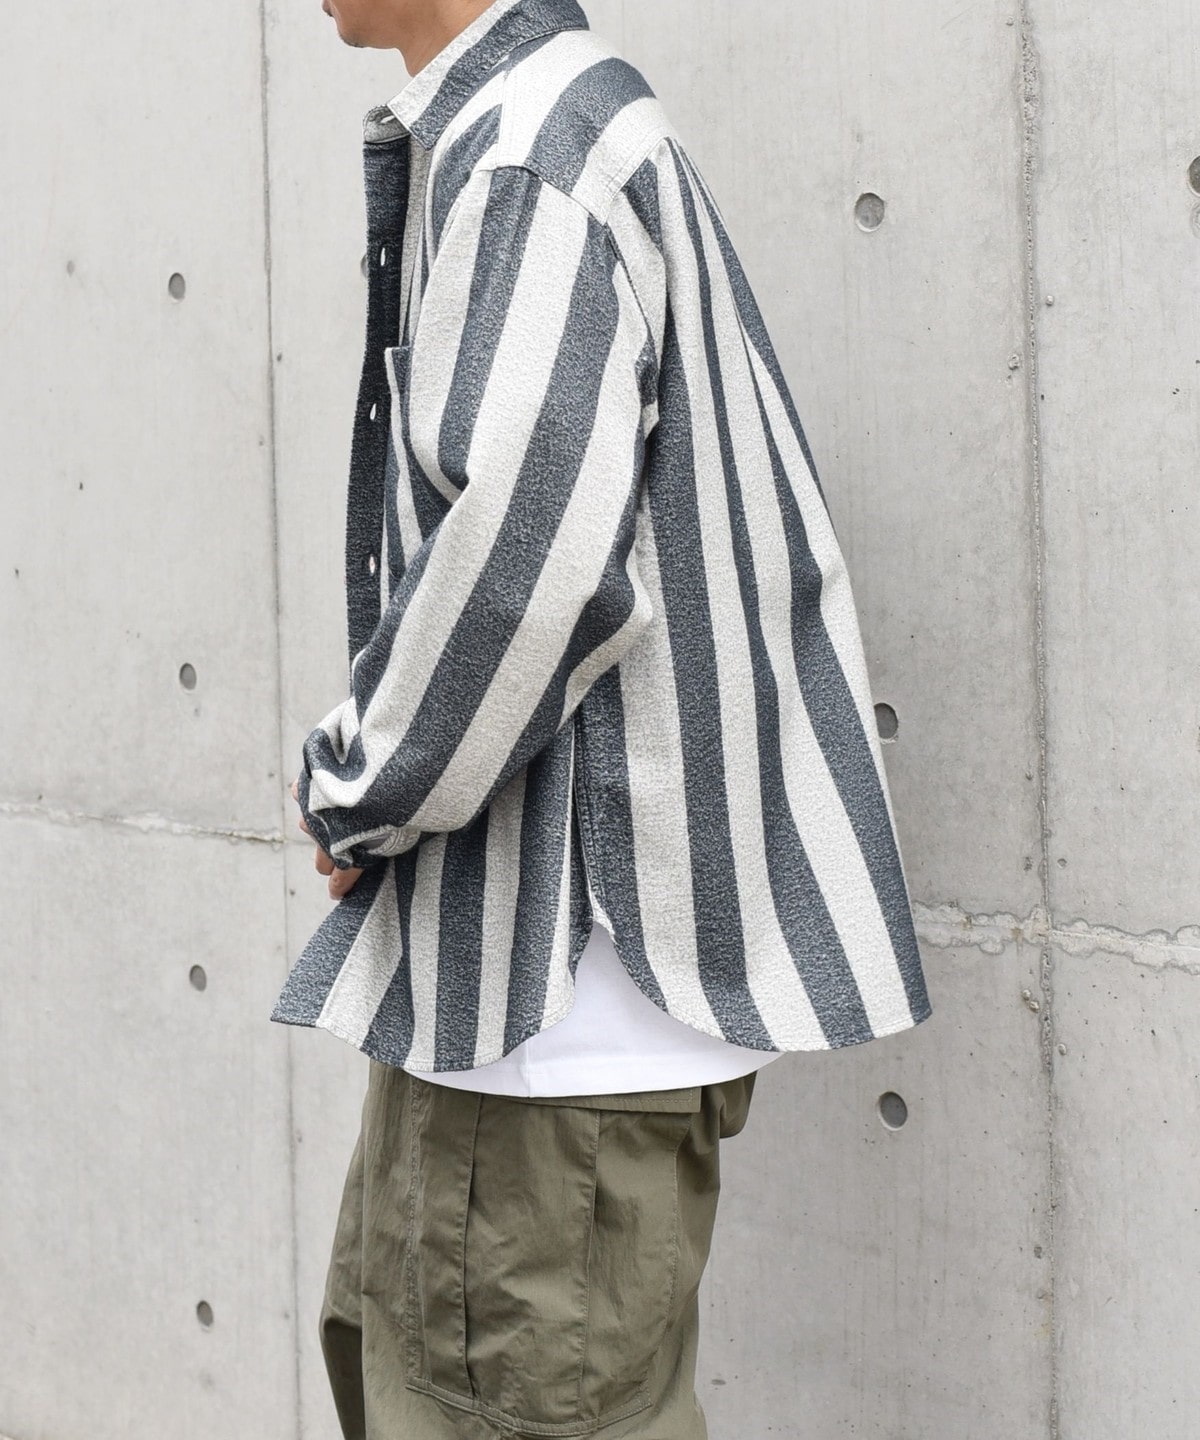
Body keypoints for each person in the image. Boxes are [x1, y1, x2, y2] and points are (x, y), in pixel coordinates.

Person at [275, 1, 933, 1435]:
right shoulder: (553, 131)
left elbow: (529, 565)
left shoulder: (531, 155)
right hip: (535, 1019)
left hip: (541, 1028)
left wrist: (362, 788)